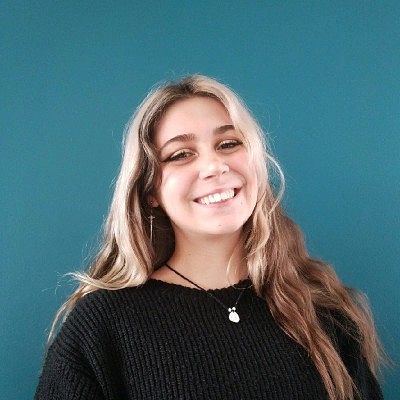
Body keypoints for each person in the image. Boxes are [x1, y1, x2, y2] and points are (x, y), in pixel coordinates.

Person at [35, 75, 385, 400]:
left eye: (229, 143)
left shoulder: (322, 308)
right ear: (150, 189)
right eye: (181, 154)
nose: (215, 166)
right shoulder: (102, 325)